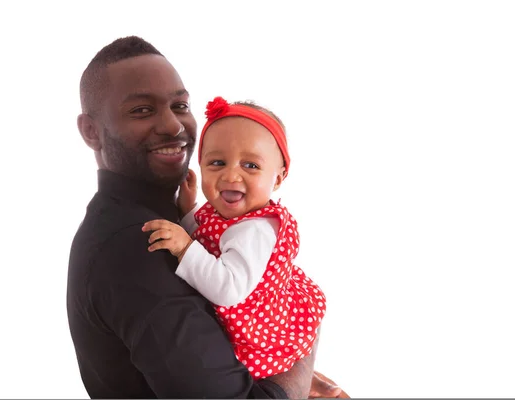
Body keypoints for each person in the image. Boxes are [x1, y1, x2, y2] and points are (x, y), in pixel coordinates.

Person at [66, 35, 348, 398]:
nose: (172, 125)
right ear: (91, 131)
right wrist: (300, 359)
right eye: (142, 110)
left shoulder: (178, 216)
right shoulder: (135, 248)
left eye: (180, 105)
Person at [142, 96, 326, 381]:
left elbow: (227, 289)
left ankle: (301, 382)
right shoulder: (226, 213)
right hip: (243, 309)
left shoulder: (255, 231)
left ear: (278, 179)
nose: (231, 175)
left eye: (250, 166)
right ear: (200, 165)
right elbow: (209, 240)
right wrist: (188, 212)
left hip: (255, 333)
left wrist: (184, 248)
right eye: (217, 162)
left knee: (247, 372)